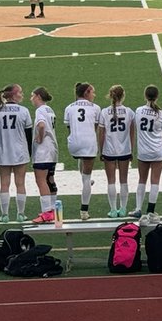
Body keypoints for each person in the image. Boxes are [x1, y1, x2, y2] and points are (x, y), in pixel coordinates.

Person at [0, 84, 32, 223]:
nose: (22, 94)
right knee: (20, 183)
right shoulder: (24, 111)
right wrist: (29, 152)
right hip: (20, 151)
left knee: (4, 183)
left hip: (3, 151)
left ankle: (4, 215)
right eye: (20, 92)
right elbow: (28, 134)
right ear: (14, 95)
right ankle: (21, 214)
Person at [63, 82, 101, 221]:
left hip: (73, 144)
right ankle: (84, 211)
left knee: (81, 158)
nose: (94, 95)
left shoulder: (69, 107)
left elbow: (69, 127)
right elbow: (95, 127)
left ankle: (87, 180)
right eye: (93, 92)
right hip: (88, 143)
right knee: (86, 177)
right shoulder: (96, 108)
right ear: (86, 93)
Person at [96, 85, 135, 219]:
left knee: (111, 181)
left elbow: (101, 133)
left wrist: (101, 150)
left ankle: (113, 209)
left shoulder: (104, 112)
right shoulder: (129, 112)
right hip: (124, 150)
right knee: (124, 180)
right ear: (123, 95)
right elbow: (131, 133)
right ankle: (123, 208)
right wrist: (131, 149)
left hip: (109, 150)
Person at [132, 85, 162, 224]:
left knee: (142, 180)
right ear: (157, 96)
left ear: (145, 96)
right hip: (158, 150)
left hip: (143, 151)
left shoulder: (139, 110)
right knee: (155, 181)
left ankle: (138, 208)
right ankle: (150, 210)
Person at [29, 87, 58, 224]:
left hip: (43, 151)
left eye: (32, 96)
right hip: (52, 149)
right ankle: (53, 210)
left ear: (38, 96)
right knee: (50, 179)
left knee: (41, 180)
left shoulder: (40, 110)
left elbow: (41, 126)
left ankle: (47, 212)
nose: (31, 99)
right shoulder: (49, 109)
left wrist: (39, 138)